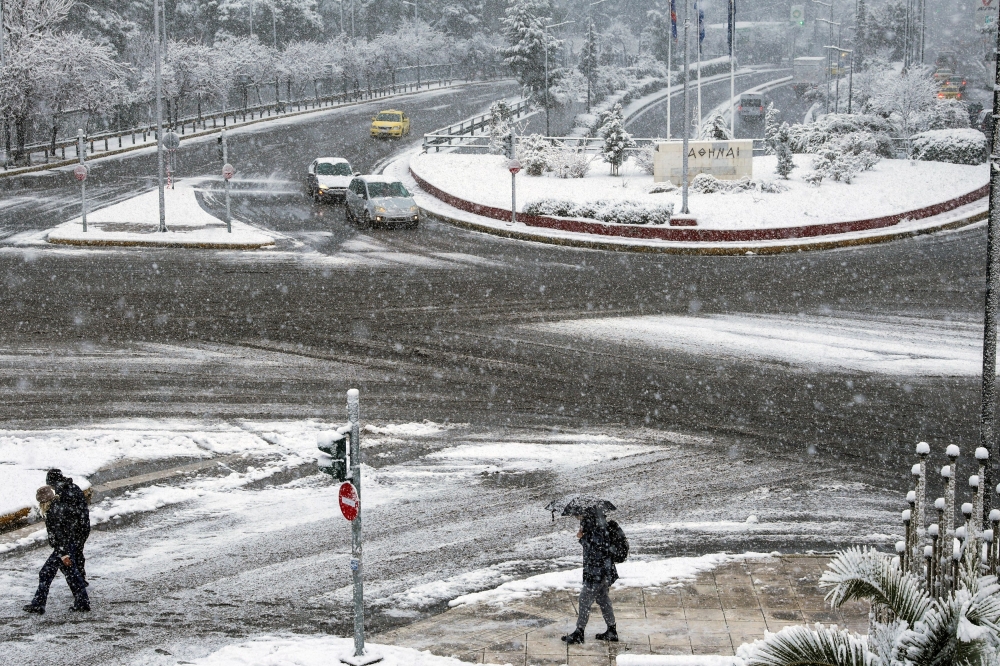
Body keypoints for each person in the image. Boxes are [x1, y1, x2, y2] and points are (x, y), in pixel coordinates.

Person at [23, 485, 90, 614]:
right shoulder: (59, 507)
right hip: (67, 546)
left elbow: (59, 534)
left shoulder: (54, 512)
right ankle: (82, 602)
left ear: (43, 502)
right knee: (72, 575)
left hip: (63, 549)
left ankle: (39, 604)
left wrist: (64, 555)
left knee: (46, 573)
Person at [562, 506, 618, 644]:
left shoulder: (595, 526)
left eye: (577, 514)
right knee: (603, 599)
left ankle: (579, 633)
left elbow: (597, 549)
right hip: (602, 570)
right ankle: (612, 630)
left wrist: (582, 538)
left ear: (584, 513)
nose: (575, 516)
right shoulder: (598, 523)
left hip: (596, 572)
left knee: (584, 600)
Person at [45, 469, 90, 582]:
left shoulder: (61, 493)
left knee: (68, 560)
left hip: (73, 532)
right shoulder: (74, 487)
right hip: (83, 527)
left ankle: (78, 583)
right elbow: (82, 510)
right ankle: (81, 579)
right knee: (78, 554)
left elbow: (63, 518)